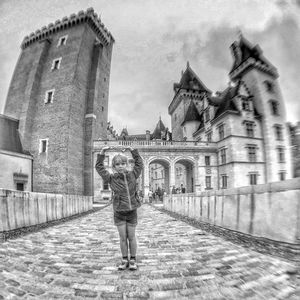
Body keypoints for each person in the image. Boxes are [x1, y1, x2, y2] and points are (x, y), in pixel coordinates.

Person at [95, 146, 143, 271]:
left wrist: (133, 151)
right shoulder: (111, 178)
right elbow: (99, 168)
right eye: (117, 164)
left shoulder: (133, 175)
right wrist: (102, 152)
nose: (120, 166)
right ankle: (124, 259)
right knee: (122, 237)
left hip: (132, 212)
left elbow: (139, 164)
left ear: (127, 164)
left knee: (131, 237)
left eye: (123, 163)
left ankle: (132, 259)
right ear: (114, 166)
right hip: (119, 212)